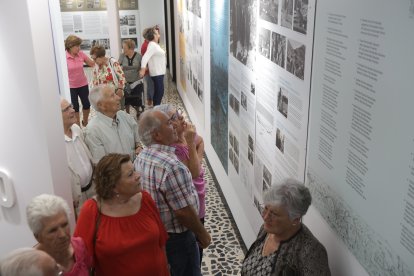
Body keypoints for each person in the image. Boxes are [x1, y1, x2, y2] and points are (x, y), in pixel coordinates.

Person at [135, 109, 211, 276]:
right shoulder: (172, 166)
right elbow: (183, 212)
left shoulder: (142, 157)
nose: (174, 126)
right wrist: (202, 233)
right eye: (169, 123)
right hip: (178, 239)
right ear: (157, 135)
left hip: (158, 234)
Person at [74, 153, 169, 276]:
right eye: (130, 174)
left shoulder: (145, 199)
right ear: (113, 186)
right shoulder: (91, 210)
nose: (138, 176)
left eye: (134, 170)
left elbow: (161, 243)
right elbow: (81, 260)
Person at [241, 179, 331, 276]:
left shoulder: (311, 252)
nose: (265, 217)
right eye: (266, 208)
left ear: (295, 219)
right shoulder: (266, 229)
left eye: (274, 214)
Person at [153, 104, 206, 263]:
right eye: (174, 118)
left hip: (199, 199)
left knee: (198, 251)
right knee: (191, 250)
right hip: (188, 207)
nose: (181, 117)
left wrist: (197, 159)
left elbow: (201, 141)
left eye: (178, 114)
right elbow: (193, 173)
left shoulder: (184, 135)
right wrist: (190, 143)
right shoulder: (172, 147)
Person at [26, 194, 92, 275]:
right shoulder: (32, 268)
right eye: (53, 230)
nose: (62, 235)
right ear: (38, 237)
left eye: (64, 225)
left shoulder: (79, 246)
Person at [85, 85, 141, 164]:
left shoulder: (123, 116)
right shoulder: (93, 131)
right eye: (112, 96)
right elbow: (103, 166)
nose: (118, 98)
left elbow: (137, 138)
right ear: (101, 105)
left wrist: (138, 146)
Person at [60, 98, 94, 217]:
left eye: (71, 106)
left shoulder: (77, 129)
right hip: (77, 201)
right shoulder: (56, 144)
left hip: (92, 190)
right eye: (66, 109)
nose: (73, 110)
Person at [65, 35, 95, 127]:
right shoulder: (64, 56)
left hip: (83, 84)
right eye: (77, 46)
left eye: (79, 46)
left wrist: (97, 56)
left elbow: (92, 64)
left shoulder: (81, 54)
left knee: (86, 104)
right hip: (71, 86)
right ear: (70, 46)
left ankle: (85, 122)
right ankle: (78, 125)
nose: (79, 48)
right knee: (75, 107)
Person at [90, 45, 126, 109]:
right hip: (103, 96)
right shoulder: (96, 66)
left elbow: (122, 77)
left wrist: (120, 89)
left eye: (95, 59)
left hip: (115, 94)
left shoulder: (112, 62)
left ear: (101, 56)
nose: (94, 61)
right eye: (92, 59)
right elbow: (95, 81)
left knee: (117, 112)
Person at [139, 27, 166, 106]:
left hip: (159, 72)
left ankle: (156, 108)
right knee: (159, 92)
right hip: (157, 73)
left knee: (159, 92)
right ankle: (156, 109)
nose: (159, 35)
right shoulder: (152, 45)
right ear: (153, 35)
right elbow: (145, 57)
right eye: (157, 33)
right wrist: (143, 69)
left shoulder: (154, 45)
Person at [119, 39, 144, 118]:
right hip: (125, 81)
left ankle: (138, 111)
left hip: (136, 81)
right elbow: (117, 66)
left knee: (137, 99)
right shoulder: (122, 56)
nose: (123, 50)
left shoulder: (139, 56)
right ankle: (127, 114)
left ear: (130, 48)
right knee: (126, 100)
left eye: (124, 48)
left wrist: (141, 71)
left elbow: (143, 67)